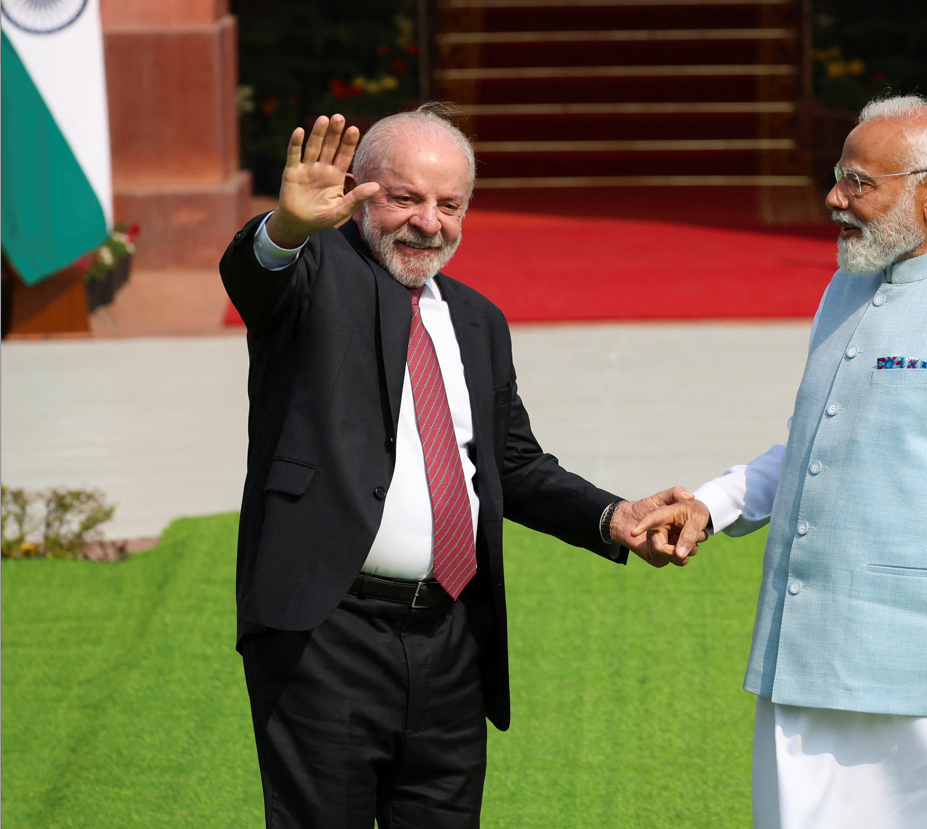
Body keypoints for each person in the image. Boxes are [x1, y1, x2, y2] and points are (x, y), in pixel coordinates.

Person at [220, 106, 698, 828]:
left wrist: (610, 516)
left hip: (452, 641)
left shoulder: (478, 319)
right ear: (355, 191)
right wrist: (286, 229)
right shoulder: (313, 273)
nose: (428, 223)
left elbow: (512, 464)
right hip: (324, 636)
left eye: (450, 205)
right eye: (404, 198)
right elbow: (254, 276)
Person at [636, 94, 927, 828]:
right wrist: (714, 503)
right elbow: (817, 444)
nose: (835, 198)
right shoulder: (847, 284)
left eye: (858, 182)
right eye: (839, 177)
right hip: (802, 665)